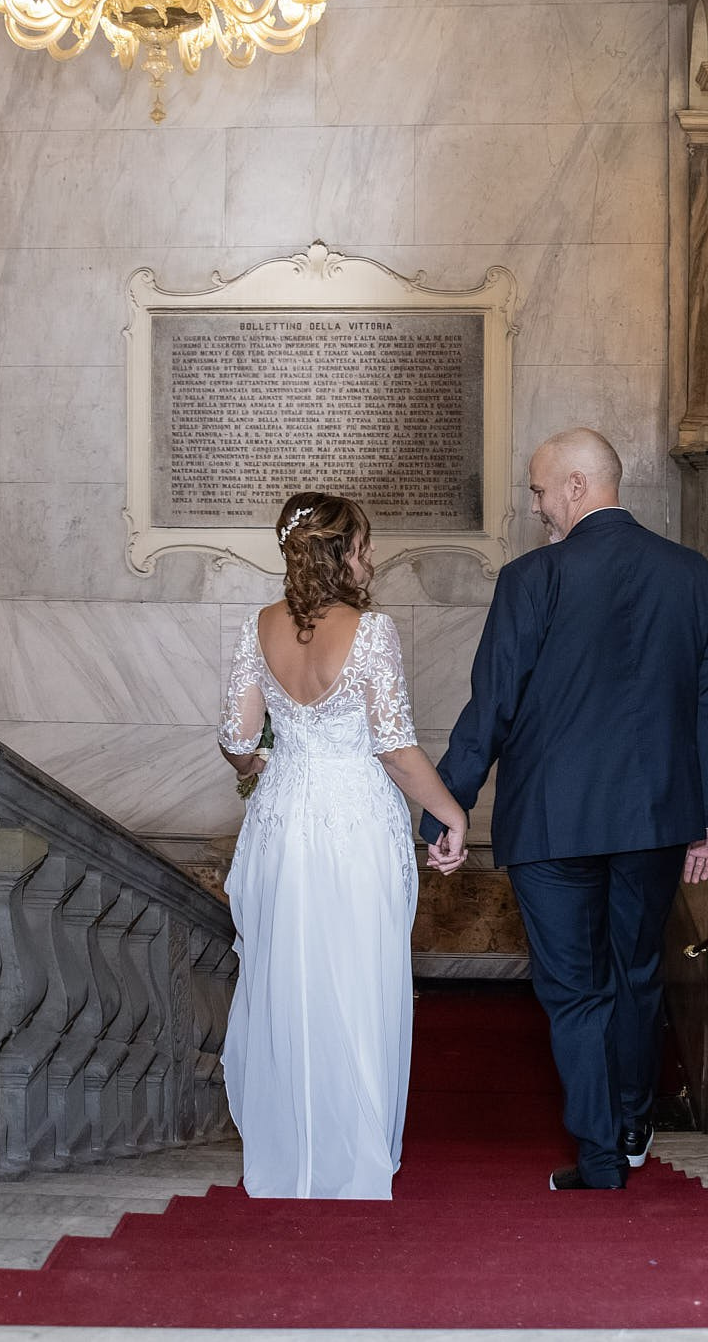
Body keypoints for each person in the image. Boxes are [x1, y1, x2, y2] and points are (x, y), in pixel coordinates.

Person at [420, 428, 708, 1191]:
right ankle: (632, 1120)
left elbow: (490, 705)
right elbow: (706, 705)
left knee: (573, 990)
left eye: (538, 490)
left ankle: (601, 1155)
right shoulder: (688, 573)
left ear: (578, 486)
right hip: (657, 818)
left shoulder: (532, 580)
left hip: (552, 823)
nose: (535, 507)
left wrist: (444, 808)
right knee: (636, 971)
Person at [217, 491, 469, 1199]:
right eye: (363, 545)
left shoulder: (257, 627)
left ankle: (289, 1151)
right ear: (339, 556)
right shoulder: (371, 632)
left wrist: (261, 767)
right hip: (354, 825)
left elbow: (237, 739)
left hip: (280, 823)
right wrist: (453, 814)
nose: (372, 557)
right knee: (356, 982)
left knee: (286, 979)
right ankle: (352, 1155)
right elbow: (393, 747)